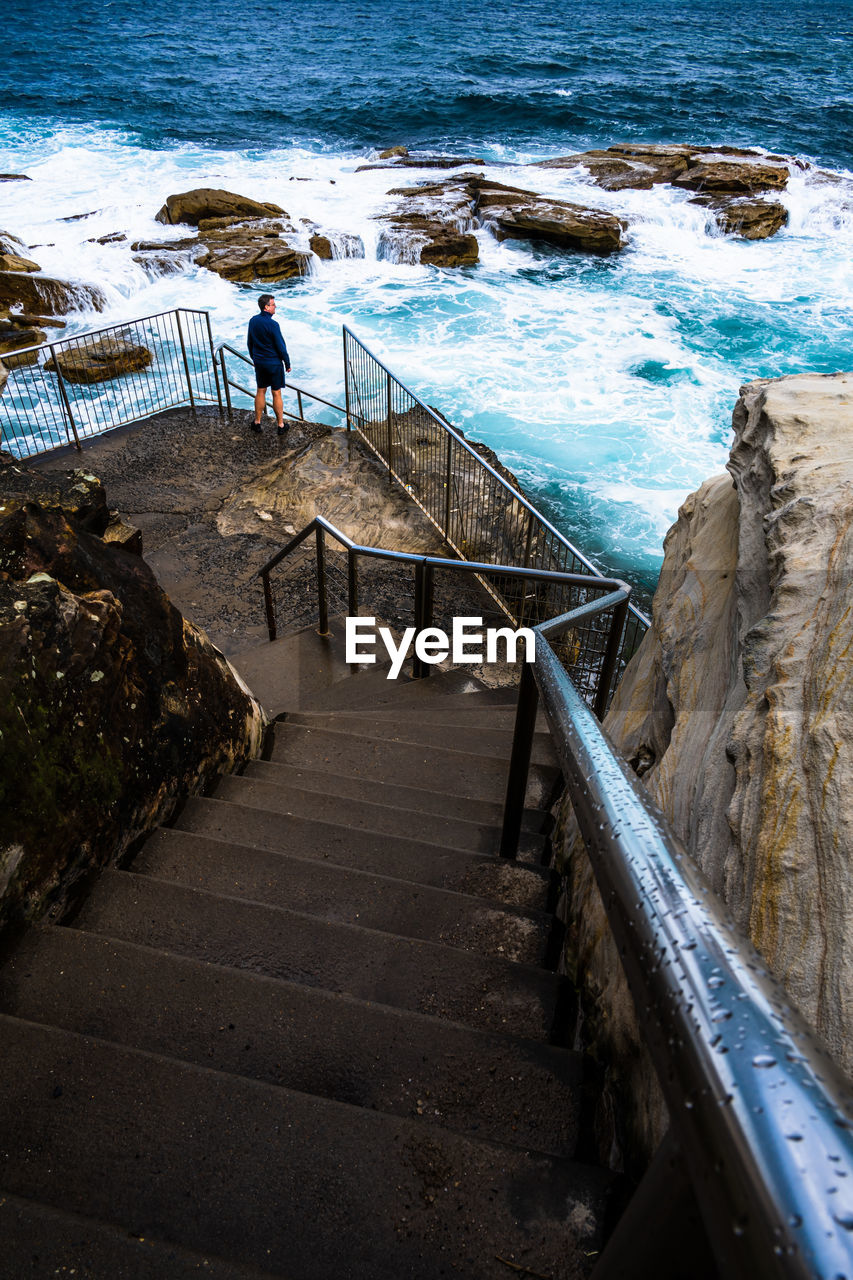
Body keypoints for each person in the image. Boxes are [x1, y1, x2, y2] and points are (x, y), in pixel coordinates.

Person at [246, 293, 292, 436]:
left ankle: (257, 422)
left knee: (261, 390)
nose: (275, 306)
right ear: (266, 307)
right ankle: (280, 425)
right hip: (273, 363)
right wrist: (287, 363)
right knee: (276, 393)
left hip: (260, 362)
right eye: (273, 304)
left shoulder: (253, 321)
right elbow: (281, 347)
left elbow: (250, 343)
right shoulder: (273, 325)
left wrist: (255, 359)